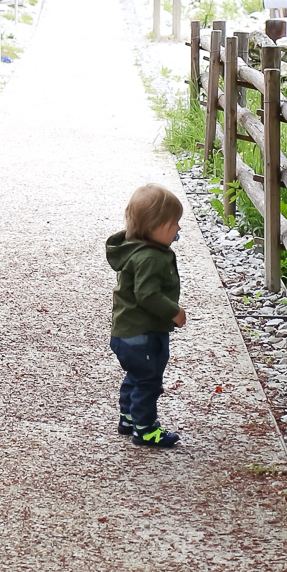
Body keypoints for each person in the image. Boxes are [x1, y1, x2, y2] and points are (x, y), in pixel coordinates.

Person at [105, 183, 186, 448]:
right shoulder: (150, 257)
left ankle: (128, 417)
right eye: (174, 224)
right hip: (143, 334)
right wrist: (174, 312)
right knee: (148, 382)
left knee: (135, 376)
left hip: (125, 333)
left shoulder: (134, 249)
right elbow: (147, 295)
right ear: (155, 226)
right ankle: (146, 428)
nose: (178, 229)